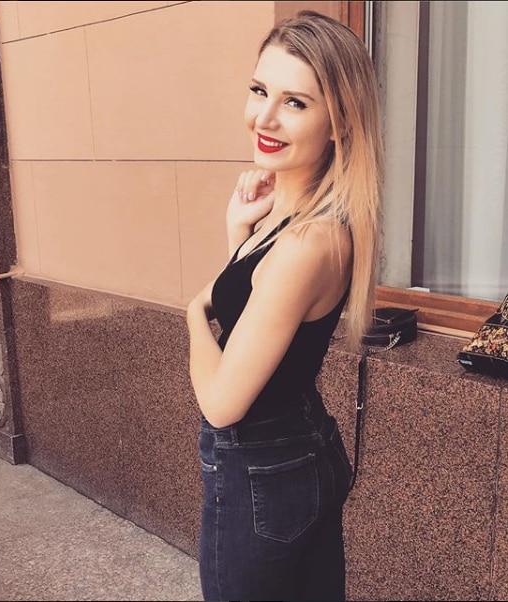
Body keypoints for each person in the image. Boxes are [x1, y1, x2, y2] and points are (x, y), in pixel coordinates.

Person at [186, 9, 383, 602]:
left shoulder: (308, 242)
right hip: (294, 450)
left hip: (264, 467)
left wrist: (192, 313)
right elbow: (254, 318)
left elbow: (222, 403)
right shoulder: (297, 219)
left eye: (295, 102)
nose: (264, 117)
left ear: (339, 121)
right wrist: (239, 236)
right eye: (259, 90)